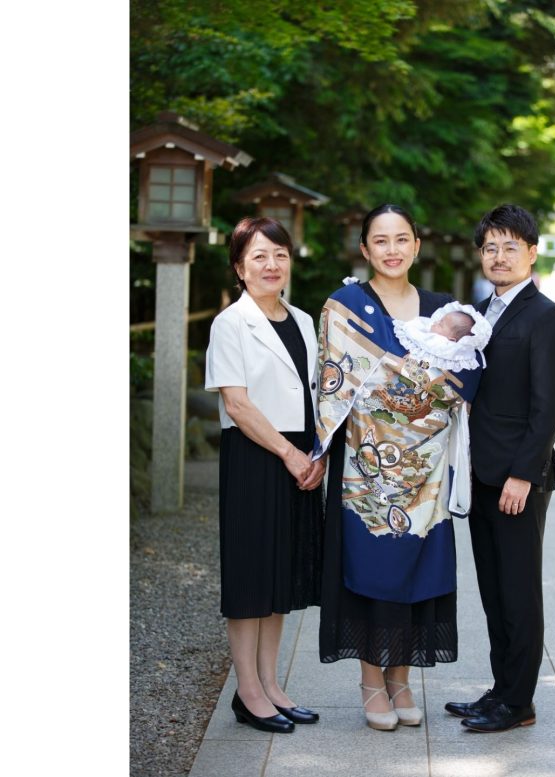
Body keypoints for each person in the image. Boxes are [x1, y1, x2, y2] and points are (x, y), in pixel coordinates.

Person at [313, 204, 482, 731]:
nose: (392, 249)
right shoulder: (346, 308)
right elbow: (336, 378)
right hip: (367, 471)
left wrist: (424, 396)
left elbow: (469, 372)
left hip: (425, 475)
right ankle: (371, 684)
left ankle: (402, 680)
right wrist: (409, 388)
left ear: (416, 245)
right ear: (364, 250)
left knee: (416, 574)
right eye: (380, 240)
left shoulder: (440, 311)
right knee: (372, 573)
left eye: (401, 238)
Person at [444, 203, 555, 733]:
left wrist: (524, 473)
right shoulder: (480, 312)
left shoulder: (546, 316)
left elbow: (550, 405)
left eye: (510, 247)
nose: (499, 257)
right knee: (494, 590)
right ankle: (500, 690)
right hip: (480, 469)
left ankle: (518, 702)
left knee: (519, 590)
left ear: (532, 252)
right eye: (491, 248)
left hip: (518, 476)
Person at [204, 217, 325, 734]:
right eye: (259, 256)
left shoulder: (301, 319)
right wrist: (290, 455)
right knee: (252, 576)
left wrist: (315, 453)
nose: (271, 264)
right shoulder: (230, 324)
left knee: (281, 577)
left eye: (279, 254)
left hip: (300, 457)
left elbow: (318, 393)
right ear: (239, 267)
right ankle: (247, 692)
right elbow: (237, 402)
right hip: (256, 457)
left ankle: (272, 685)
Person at [393, 301, 492, 372]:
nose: (435, 322)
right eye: (439, 320)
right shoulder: (433, 330)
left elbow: (421, 340)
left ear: (451, 340)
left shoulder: (441, 344)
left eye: (440, 324)